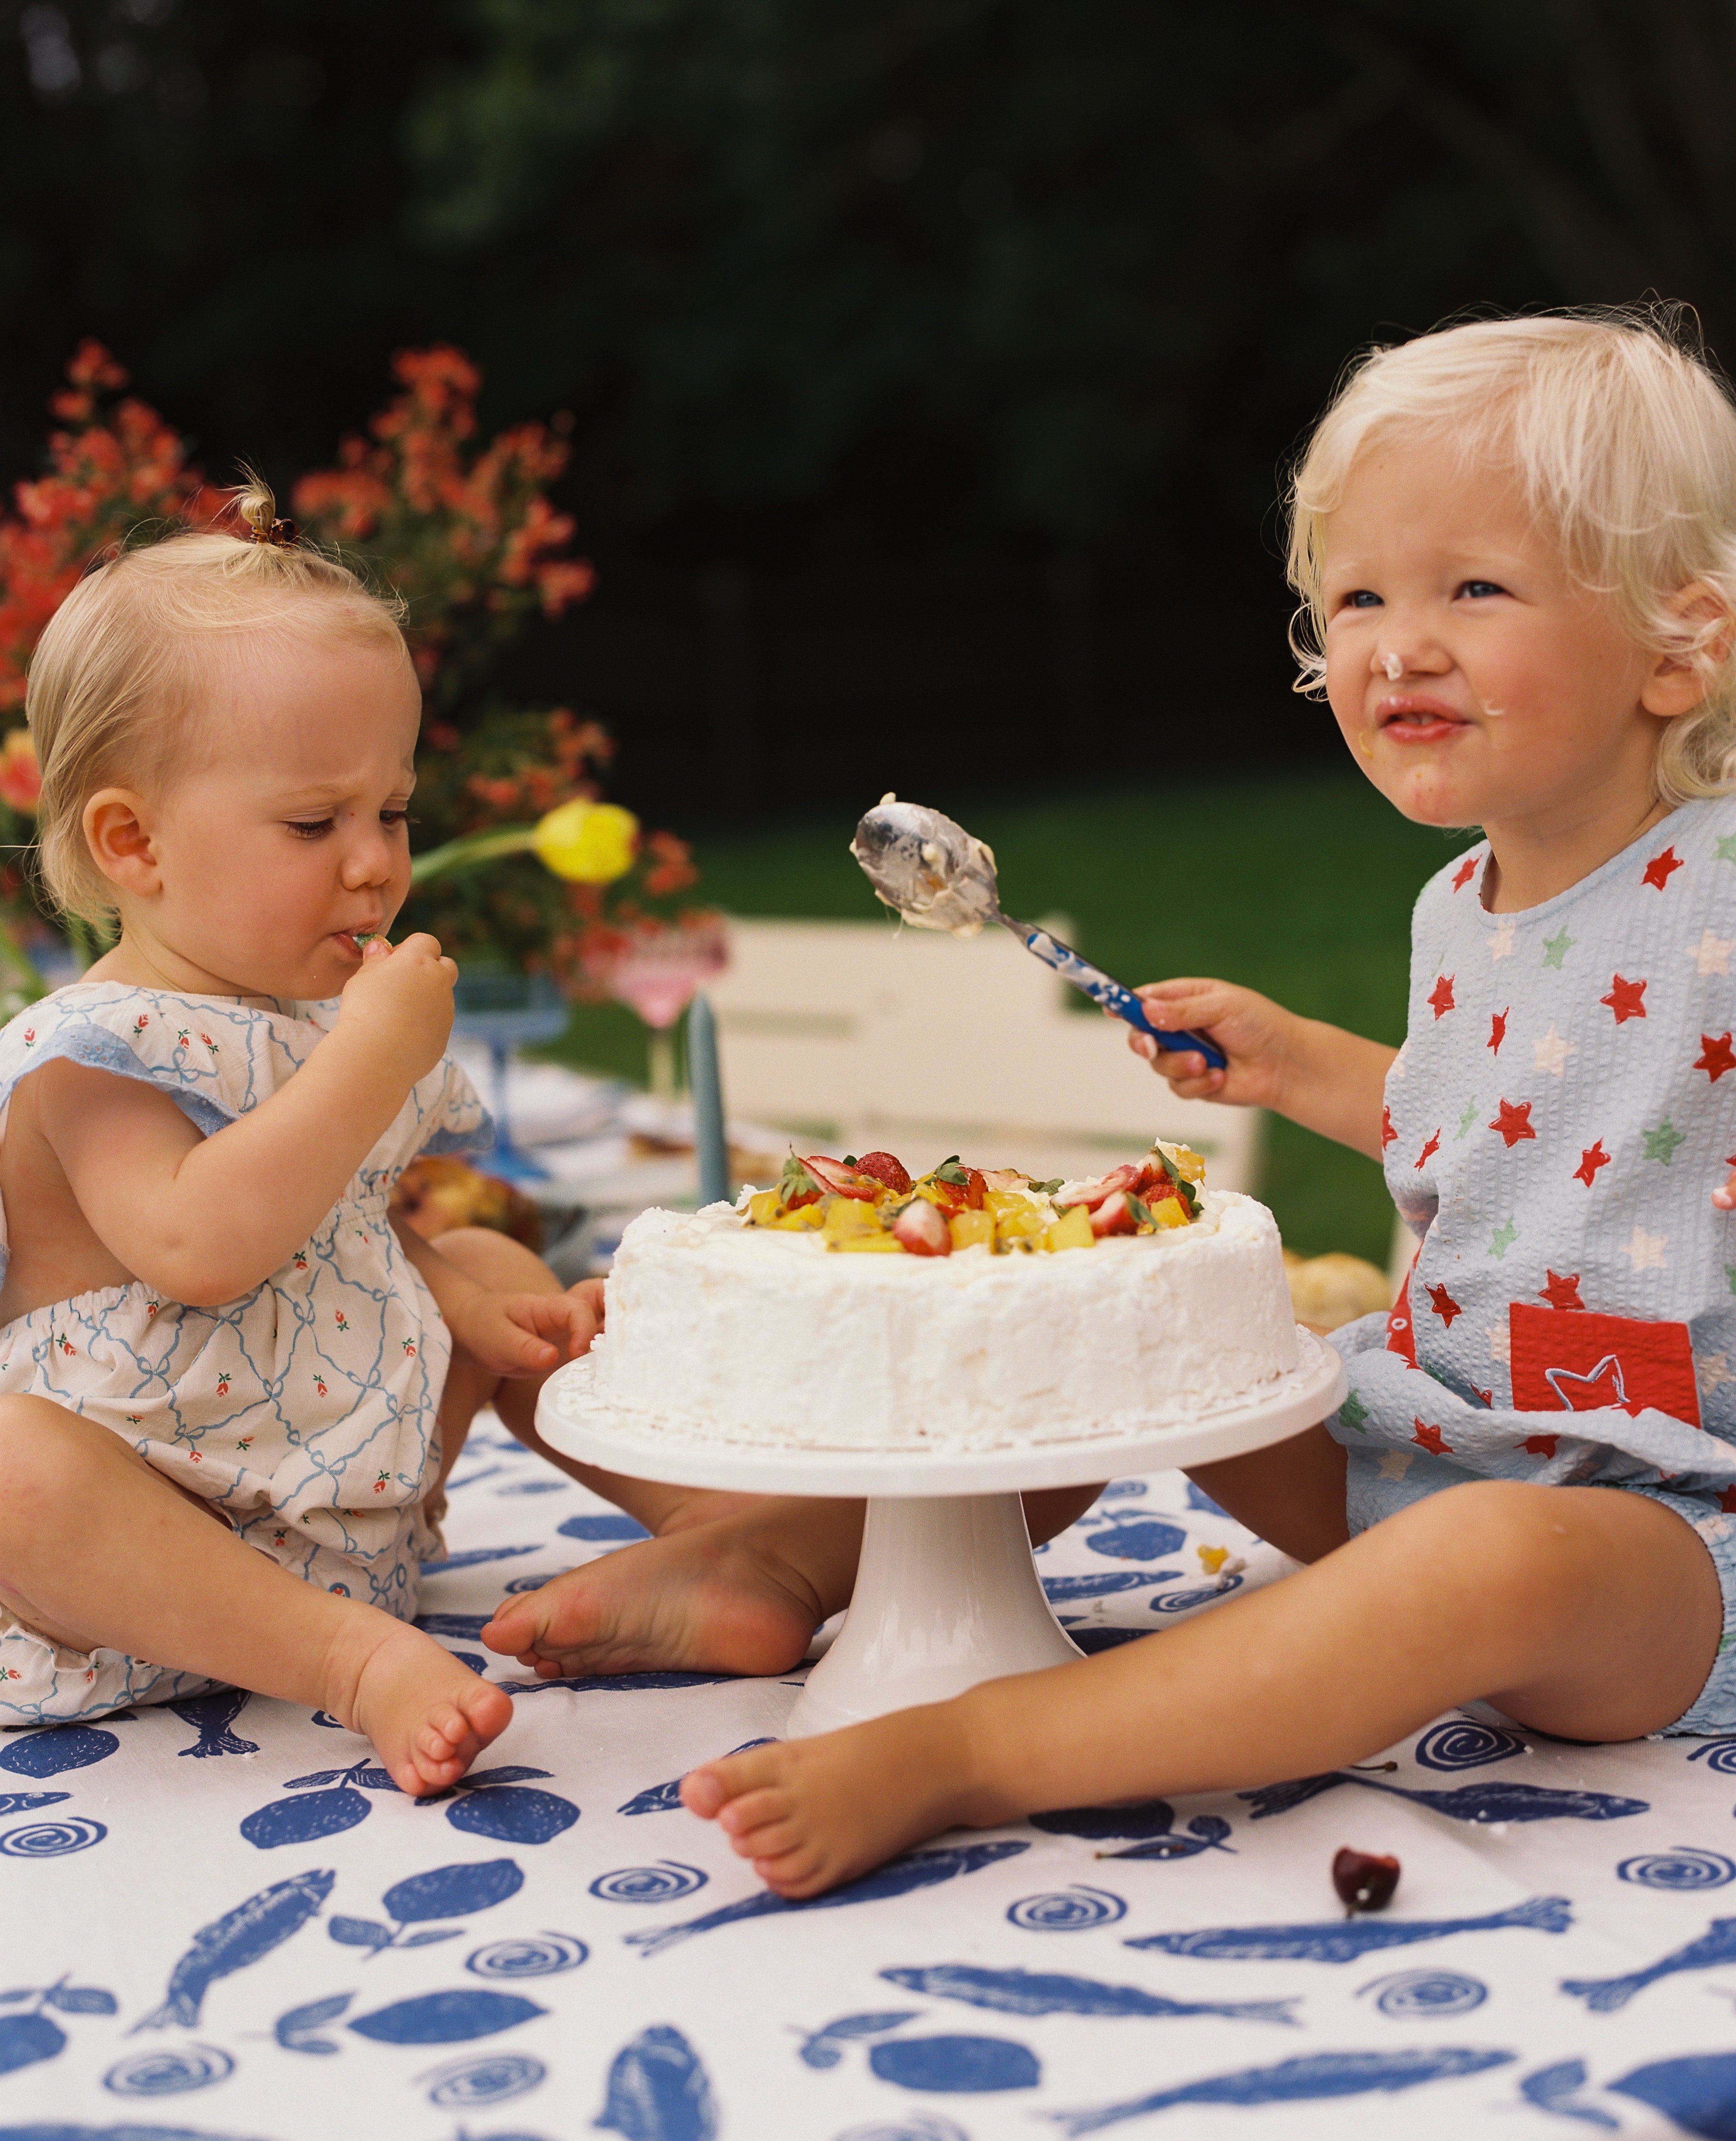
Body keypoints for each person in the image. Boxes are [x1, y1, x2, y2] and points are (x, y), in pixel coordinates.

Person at [670, 306, 1736, 1898]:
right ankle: (779, 1558)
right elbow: (1520, 1135)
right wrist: (1304, 1062)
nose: (1397, 642)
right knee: (1141, 1333)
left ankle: (979, 1744)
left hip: (1664, 1525)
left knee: (1486, 1561)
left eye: (1472, 588)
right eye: (1359, 594)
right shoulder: (1462, 907)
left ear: (1680, 643)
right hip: (1424, 1433)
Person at [0, 488, 698, 1796]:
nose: (374, 863)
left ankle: (722, 1535)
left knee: (491, 1256)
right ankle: (353, 1666)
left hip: (336, 1499)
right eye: (315, 825)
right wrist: (374, 1057)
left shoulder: (314, 1017)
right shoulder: (90, 1054)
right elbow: (201, 1245)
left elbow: (338, 1230)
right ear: (133, 840)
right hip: (145, 1560)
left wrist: (458, 1305)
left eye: (394, 812)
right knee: (11, 1467)